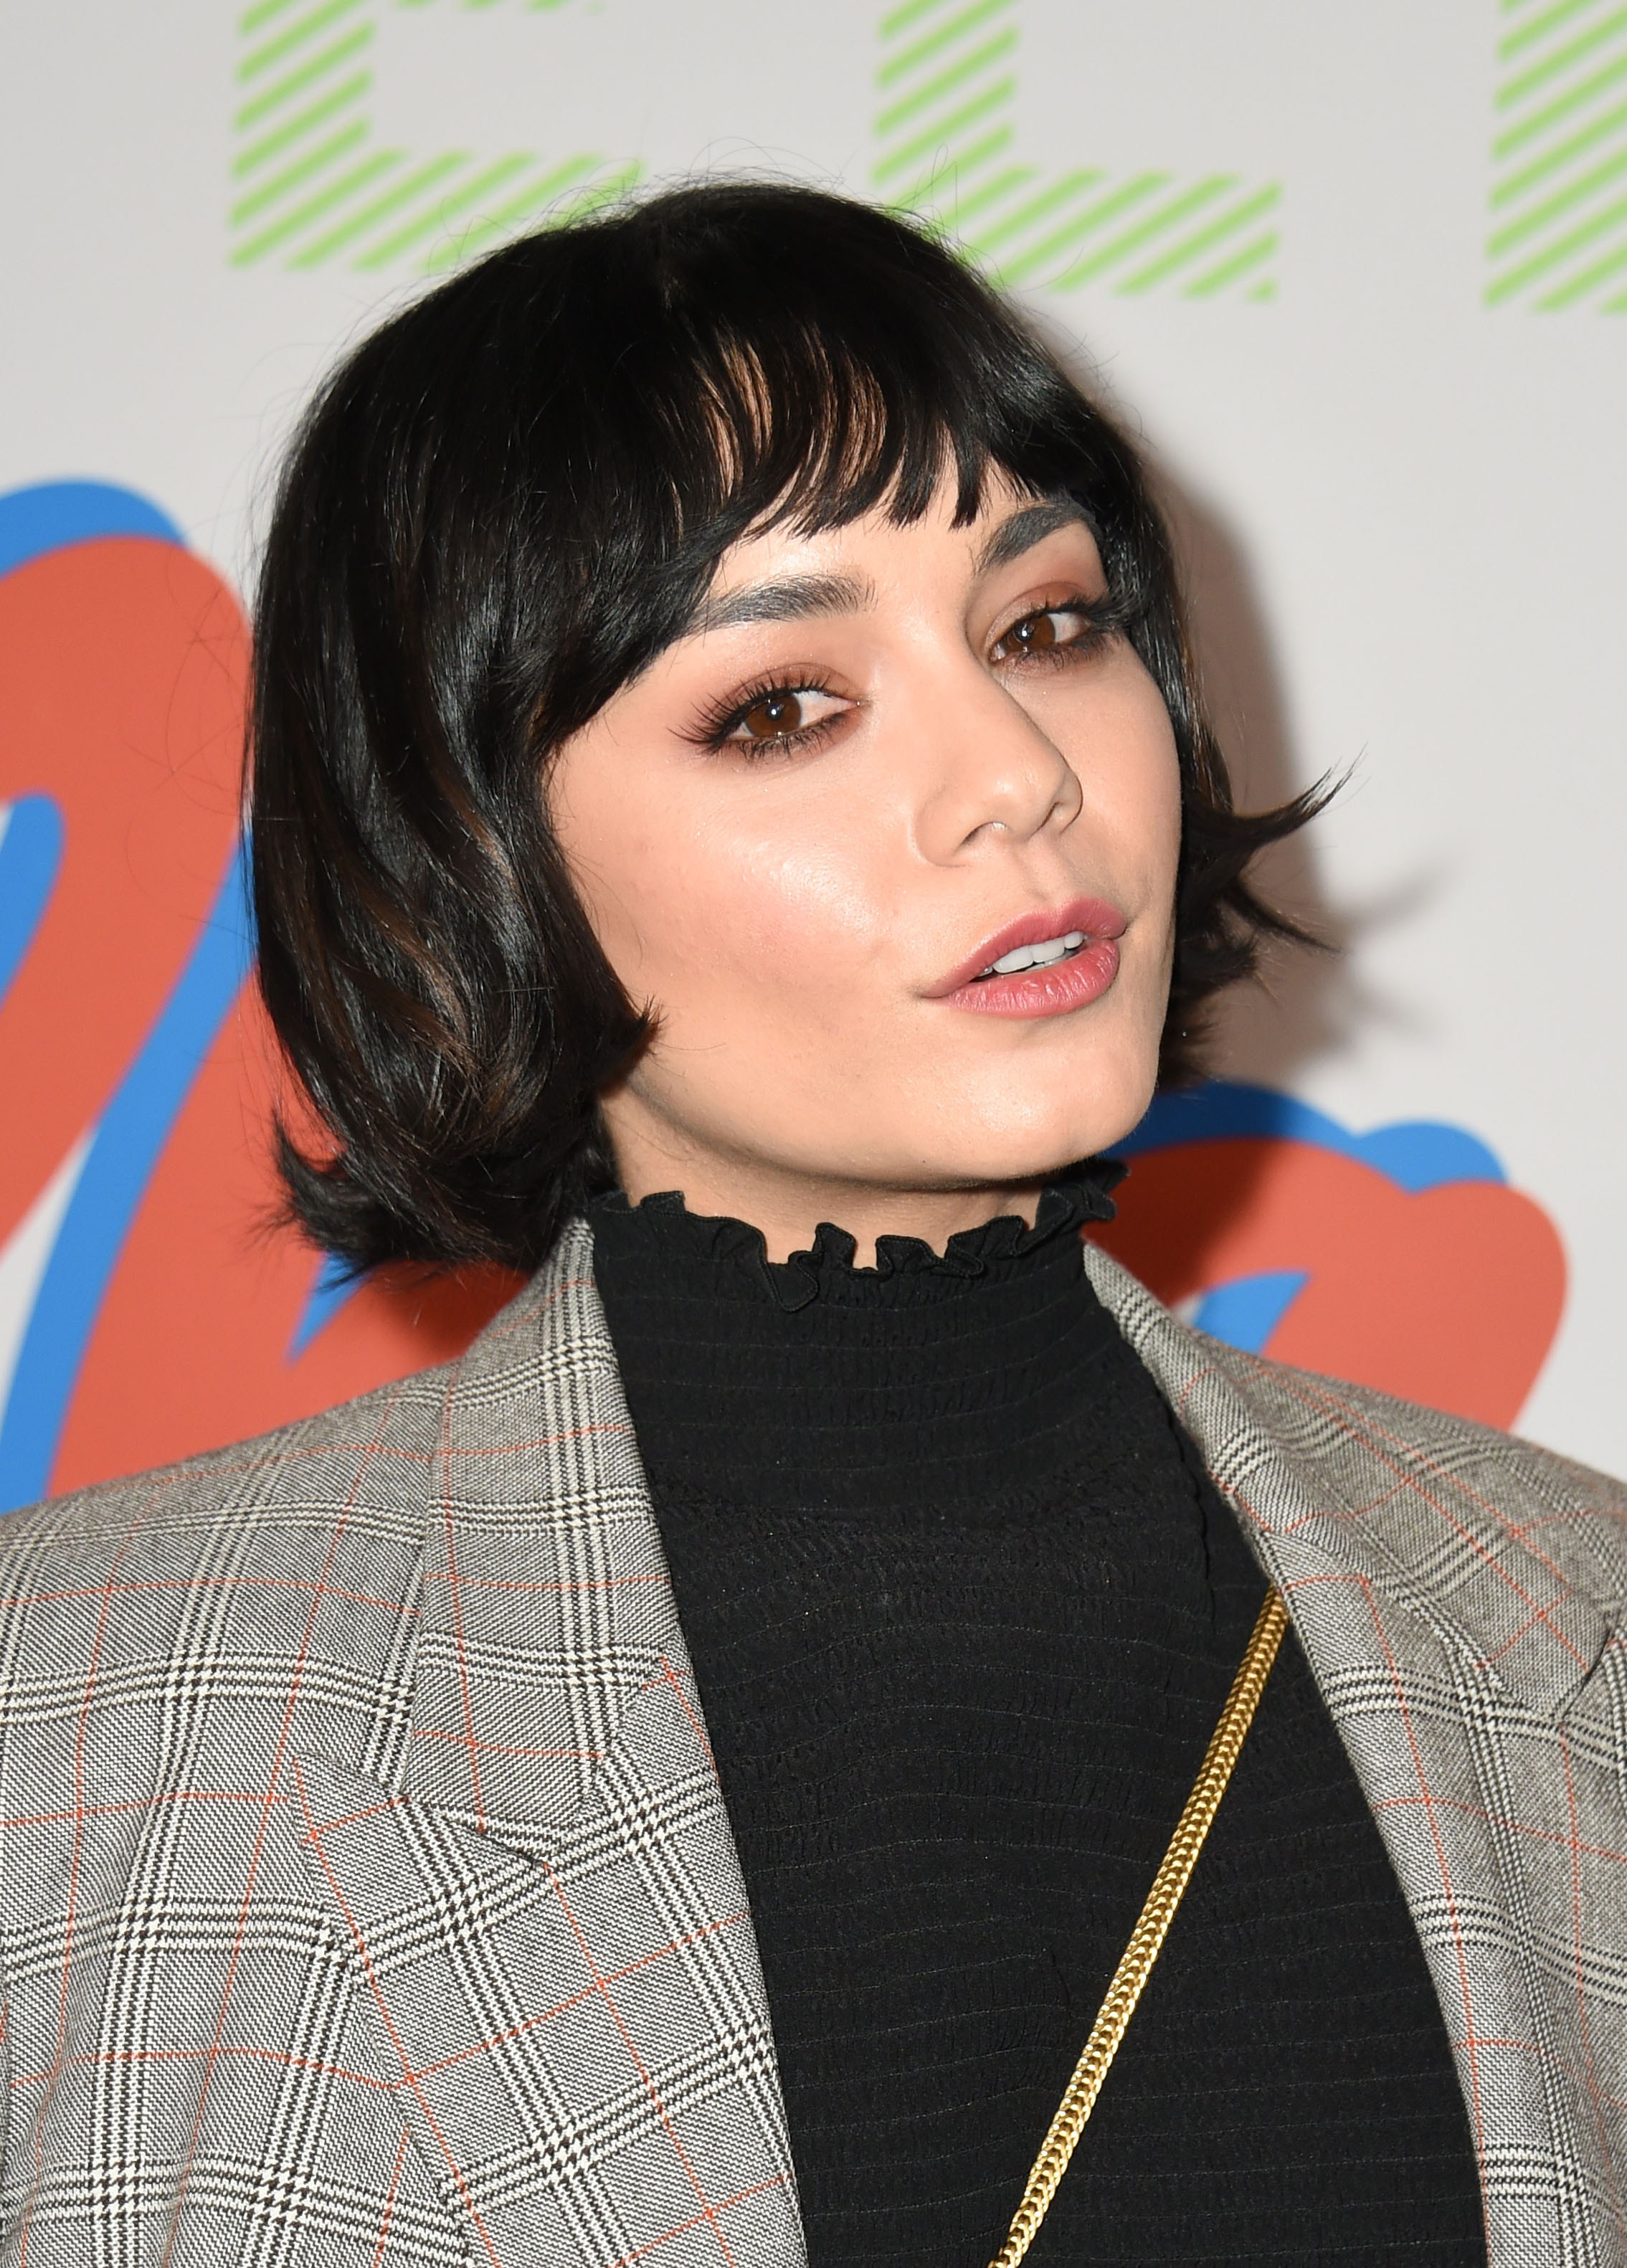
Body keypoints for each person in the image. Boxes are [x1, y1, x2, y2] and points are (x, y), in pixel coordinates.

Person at [0, 182, 1621, 2268]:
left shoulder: (1575, 1628)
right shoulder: (87, 1724)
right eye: (783, 706)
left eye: (1046, 625)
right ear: (467, 858)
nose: (1018, 776)